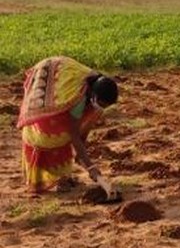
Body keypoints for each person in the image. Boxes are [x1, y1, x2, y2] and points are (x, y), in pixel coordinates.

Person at [17, 56, 119, 198]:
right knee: (55, 134)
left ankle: (63, 176)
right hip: (49, 82)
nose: (102, 108)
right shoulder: (78, 100)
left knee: (66, 132)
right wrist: (91, 168)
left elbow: (84, 129)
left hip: (61, 74)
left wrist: (82, 154)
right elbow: (74, 134)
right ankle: (59, 177)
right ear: (93, 95)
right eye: (102, 104)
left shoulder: (95, 93)